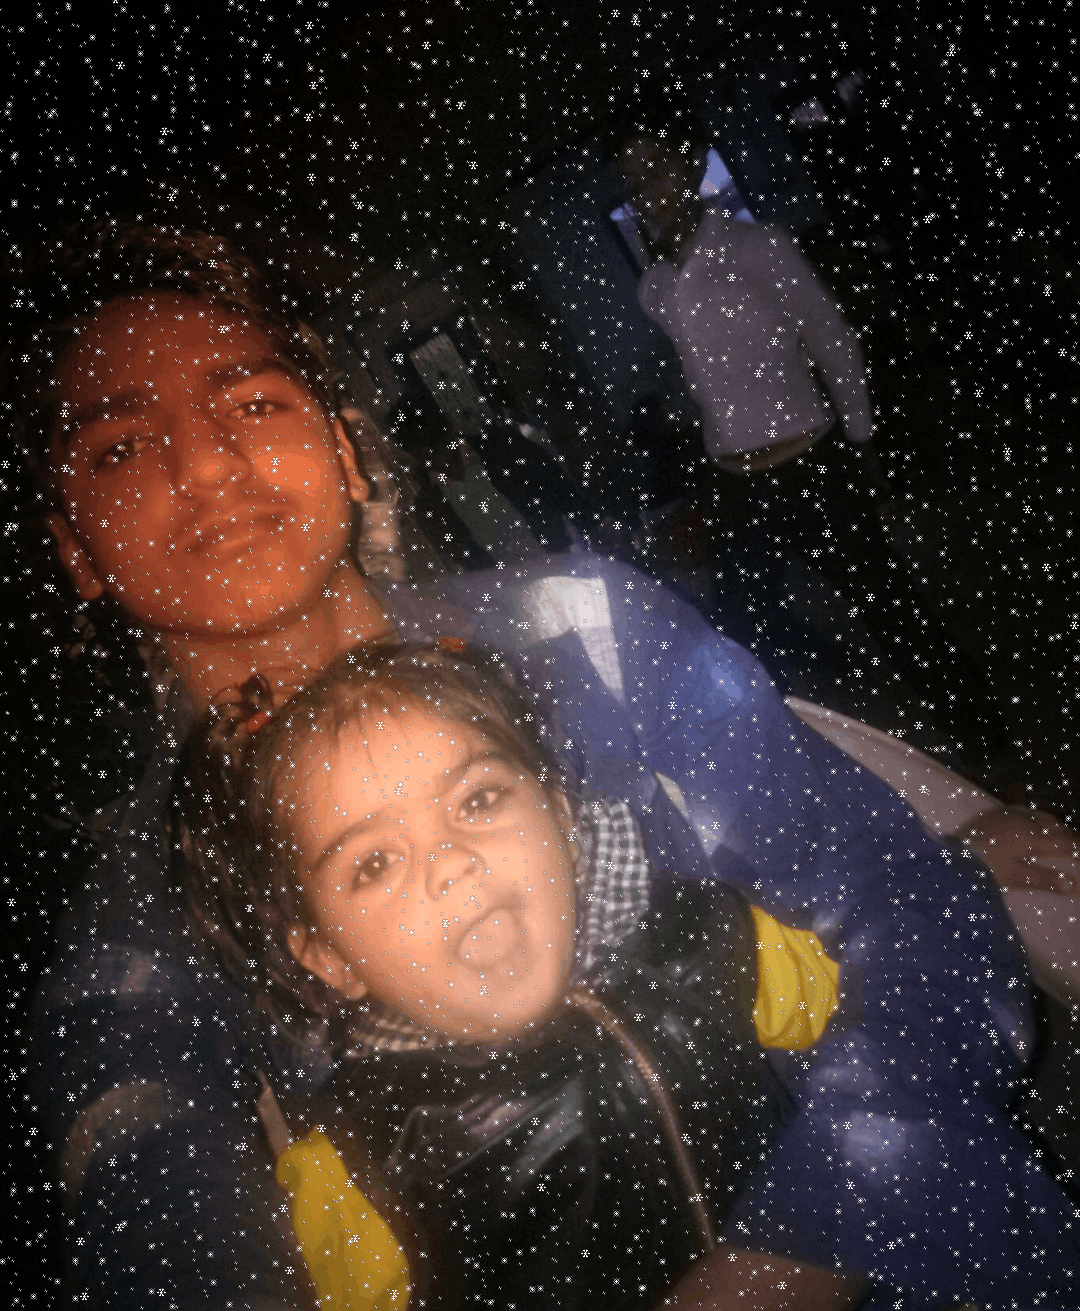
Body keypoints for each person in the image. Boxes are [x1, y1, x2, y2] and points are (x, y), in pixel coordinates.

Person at [11, 218, 1075, 1308]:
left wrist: (805, 1243)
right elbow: (172, 1244)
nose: (206, 464)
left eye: (252, 404)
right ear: (75, 550)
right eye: (121, 449)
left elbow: (910, 914)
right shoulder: (141, 943)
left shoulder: (582, 638)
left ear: (344, 449)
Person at [174, 640, 865, 1310]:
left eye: (477, 801)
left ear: (561, 816)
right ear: (329, 957)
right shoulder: (358, 1166)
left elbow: (881, 1040)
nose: (451, 863)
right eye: (375, 864)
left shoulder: (704, 934)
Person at [610, 106, 1010, 761]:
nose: (645, 190)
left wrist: (862, 437)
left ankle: (991, 750)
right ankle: (808, 757)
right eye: (632, 180)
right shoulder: (655, 287)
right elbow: (700, 377)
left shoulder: (757, 248)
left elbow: (832, 337)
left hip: (811, 468)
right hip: (736, 484)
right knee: (741, 637)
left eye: (655, 168)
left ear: (690, 165)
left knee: (895, 616)